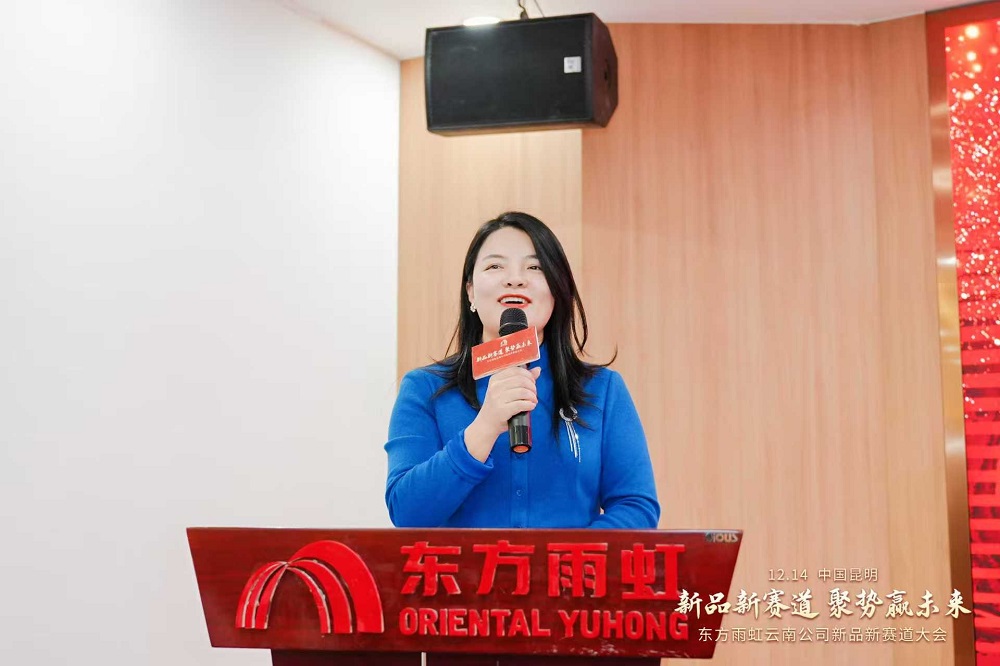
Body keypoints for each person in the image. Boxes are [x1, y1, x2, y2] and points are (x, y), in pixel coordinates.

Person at [385, 211, 660, 529]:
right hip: (466, 566)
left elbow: (636, 508)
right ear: (471, 291)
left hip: (569, 564)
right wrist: (484, 427)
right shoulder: (424, 389)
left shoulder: (602, 389)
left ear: (557, 290)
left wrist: (560, 556)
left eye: (534, 267)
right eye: (495, 266)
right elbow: (406, 513)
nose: (515, 279)